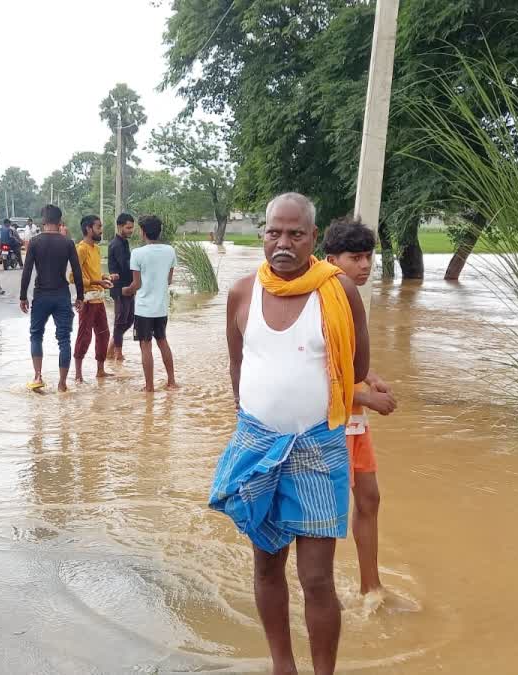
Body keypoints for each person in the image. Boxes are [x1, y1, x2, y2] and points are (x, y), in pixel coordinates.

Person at [208, 192, 369, 675]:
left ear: (313, 238)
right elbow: (238, 369)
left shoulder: (339, 292)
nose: (283, 243)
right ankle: (283, 666)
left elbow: (357, 367)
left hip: (318, 449)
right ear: (263, 234)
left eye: (295, 234)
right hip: (258, 446)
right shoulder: (241, 294)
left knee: (317, 579)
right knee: (265, 566)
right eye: (274, 232)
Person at [323, 217, 398, 603]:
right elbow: (315, 378)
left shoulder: (349, 299)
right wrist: (368, 398)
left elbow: (347, 360)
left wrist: (369, 377)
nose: (365, 266)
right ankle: (323, 594)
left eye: (368, 257)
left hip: (354, 423)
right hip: (330, 424)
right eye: (356, 258)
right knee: (323, 516)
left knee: (369, 499)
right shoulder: (321, 303)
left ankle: (372, 587)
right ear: (332, 259)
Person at [19, 204, 84, 392]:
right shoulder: (68, 243)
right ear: (59, 221)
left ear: (43, 221)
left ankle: (38, 376)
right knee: (64, 339)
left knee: (36, 335)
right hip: (62, 295)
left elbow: (27, 271)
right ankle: (63, 384)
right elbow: (77, 272)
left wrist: (23, 296)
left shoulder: (35, 242)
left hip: (41, 295)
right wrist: (80, 295)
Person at [122, 215, 178, 392]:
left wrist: (125, 291)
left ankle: (149, 387)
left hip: (144, 309)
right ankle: (171, 381)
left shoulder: (137, 253)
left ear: (143, 232)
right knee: (162, 341)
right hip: (161, 308)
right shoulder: (170, 251)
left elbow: (136, 285)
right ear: (159, 231)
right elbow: (168, 280)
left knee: (145, 345)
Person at [70, 215, 114, 382]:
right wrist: (97, 281)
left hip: (99, 299)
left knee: (103, 334)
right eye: (98, 227)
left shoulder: (96, 249)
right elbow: (72, 277)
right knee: (85, 335)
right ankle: (78, 375)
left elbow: (94, 273)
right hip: (87, 300)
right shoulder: (81, 249)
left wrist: (107, 277)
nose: (101, 230)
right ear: (88, 229)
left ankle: (100, 371)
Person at [107, 213, 135, 362]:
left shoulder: (124, 242)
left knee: (129, 319)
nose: (131, 230)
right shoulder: (116, 244)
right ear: (119, 226)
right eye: (128, 227)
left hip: (129, 287)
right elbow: (125, 266)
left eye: (132, 228)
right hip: (120, 289)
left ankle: (111, 348)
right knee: (120, 320)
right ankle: (117, 353)